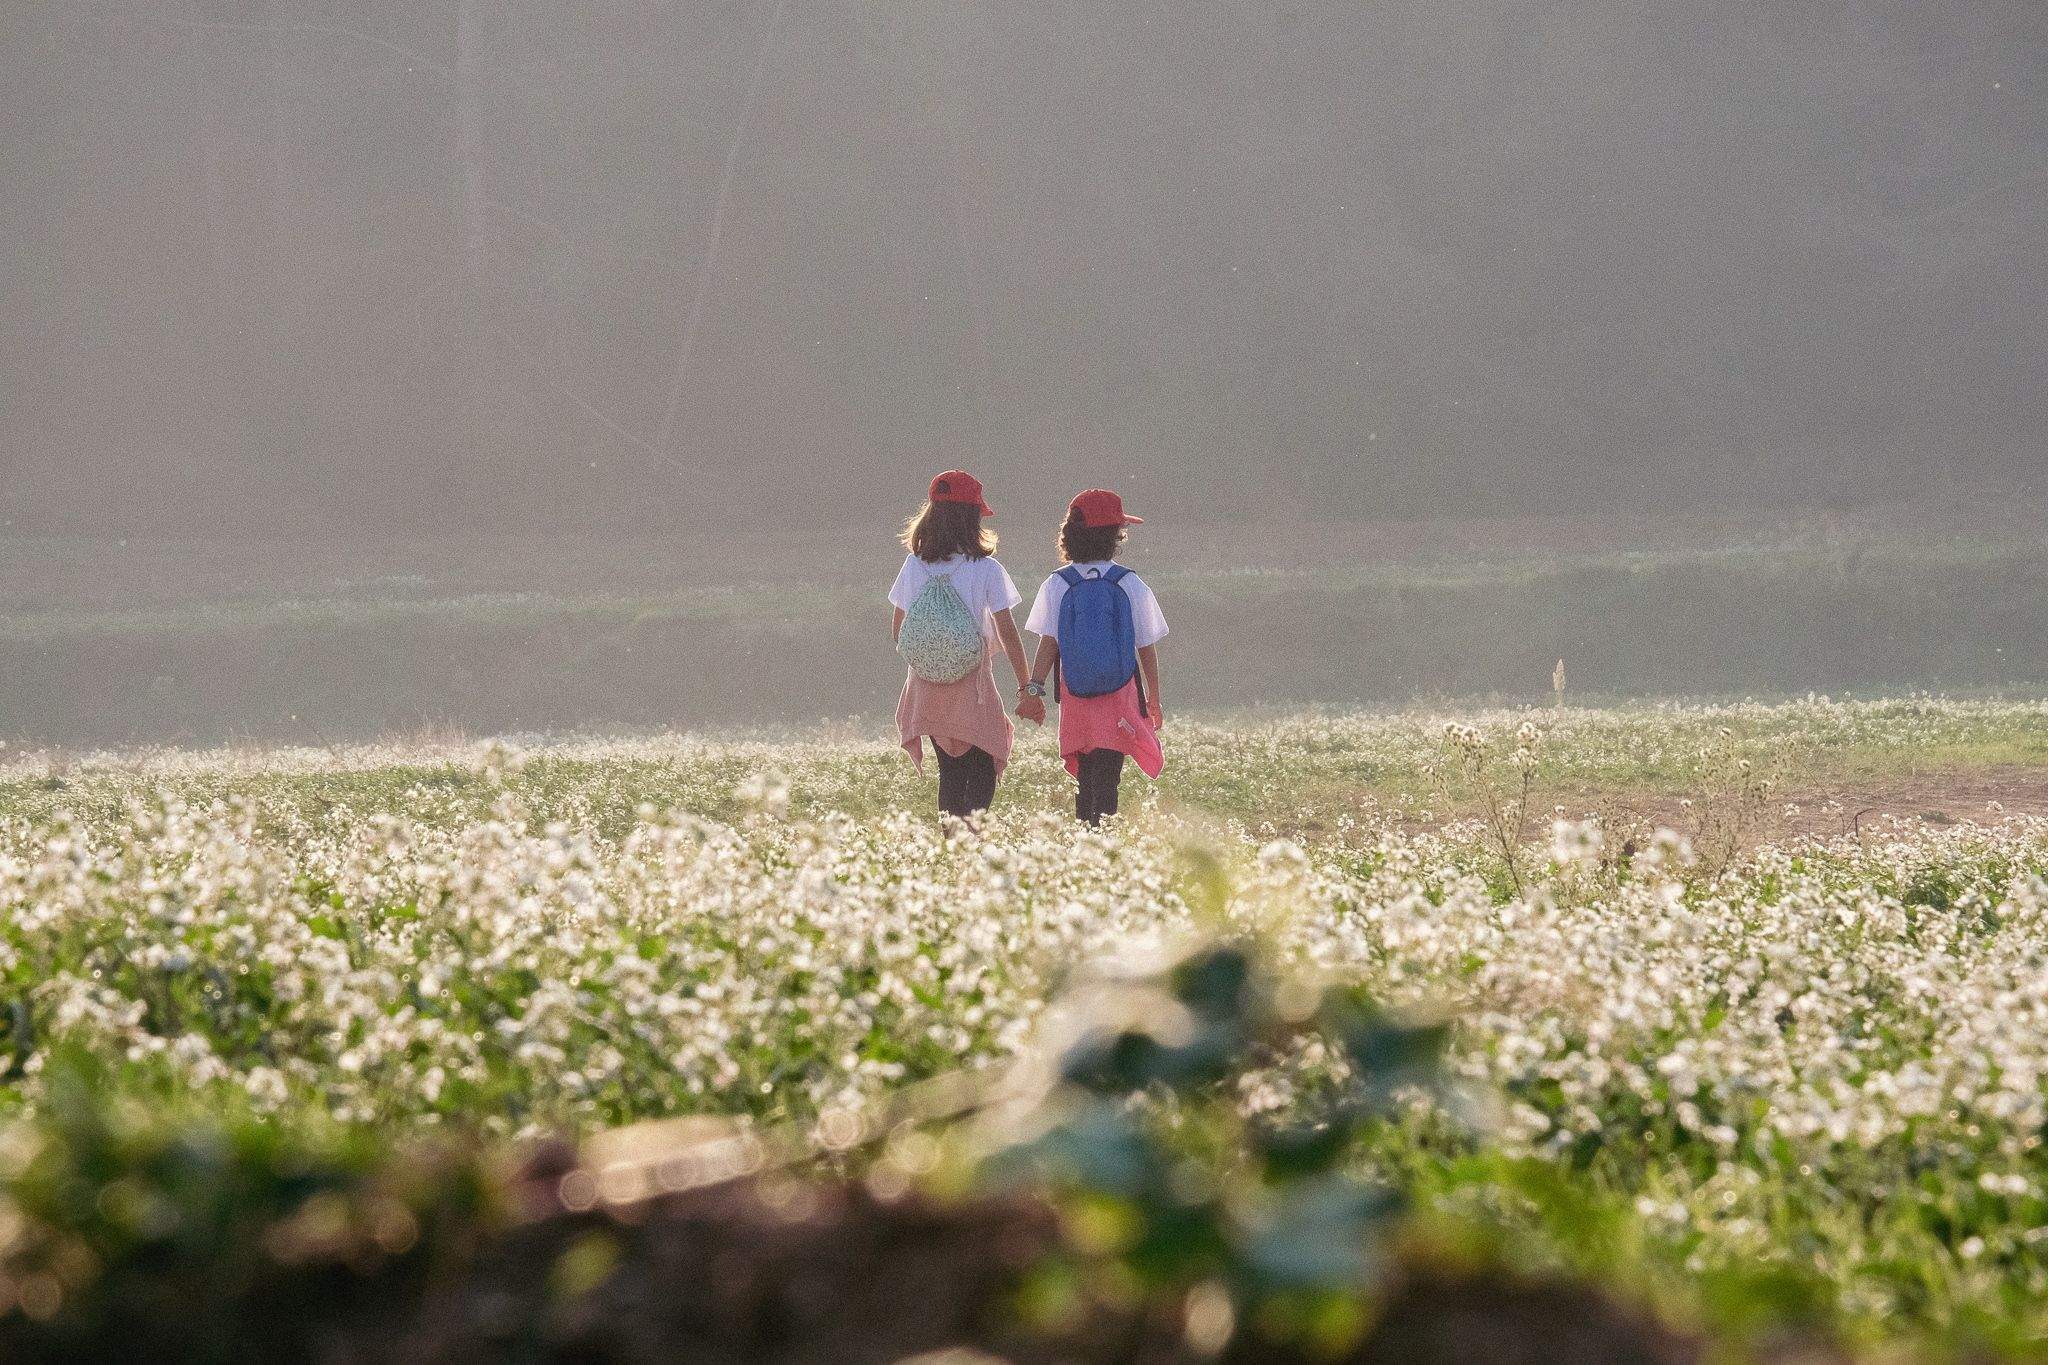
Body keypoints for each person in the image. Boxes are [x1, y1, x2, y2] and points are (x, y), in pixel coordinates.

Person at [889, 470, 1039, 819]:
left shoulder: (913, 565)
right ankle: (969, 841)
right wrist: (1025, 685)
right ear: (972, 519)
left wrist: (935, 656)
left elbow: (899, 631)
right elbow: (1007, 632)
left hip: (925, 686)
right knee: (984, 767)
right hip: (972, 686)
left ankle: (952, 844)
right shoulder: (986, 569)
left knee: (951, 773)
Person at [1021, 489, 1166, 825]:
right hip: (1119, 695)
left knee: (1086, 774)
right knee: (1108, 771)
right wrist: (1154, 697)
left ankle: (1086, 836)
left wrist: (1033, 689)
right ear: (1114, 535)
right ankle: (1101, 841)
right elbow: (1146, 647)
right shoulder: (1129, 583)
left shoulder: (1058, 583)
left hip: (1076, 695)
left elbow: (1048, 644)